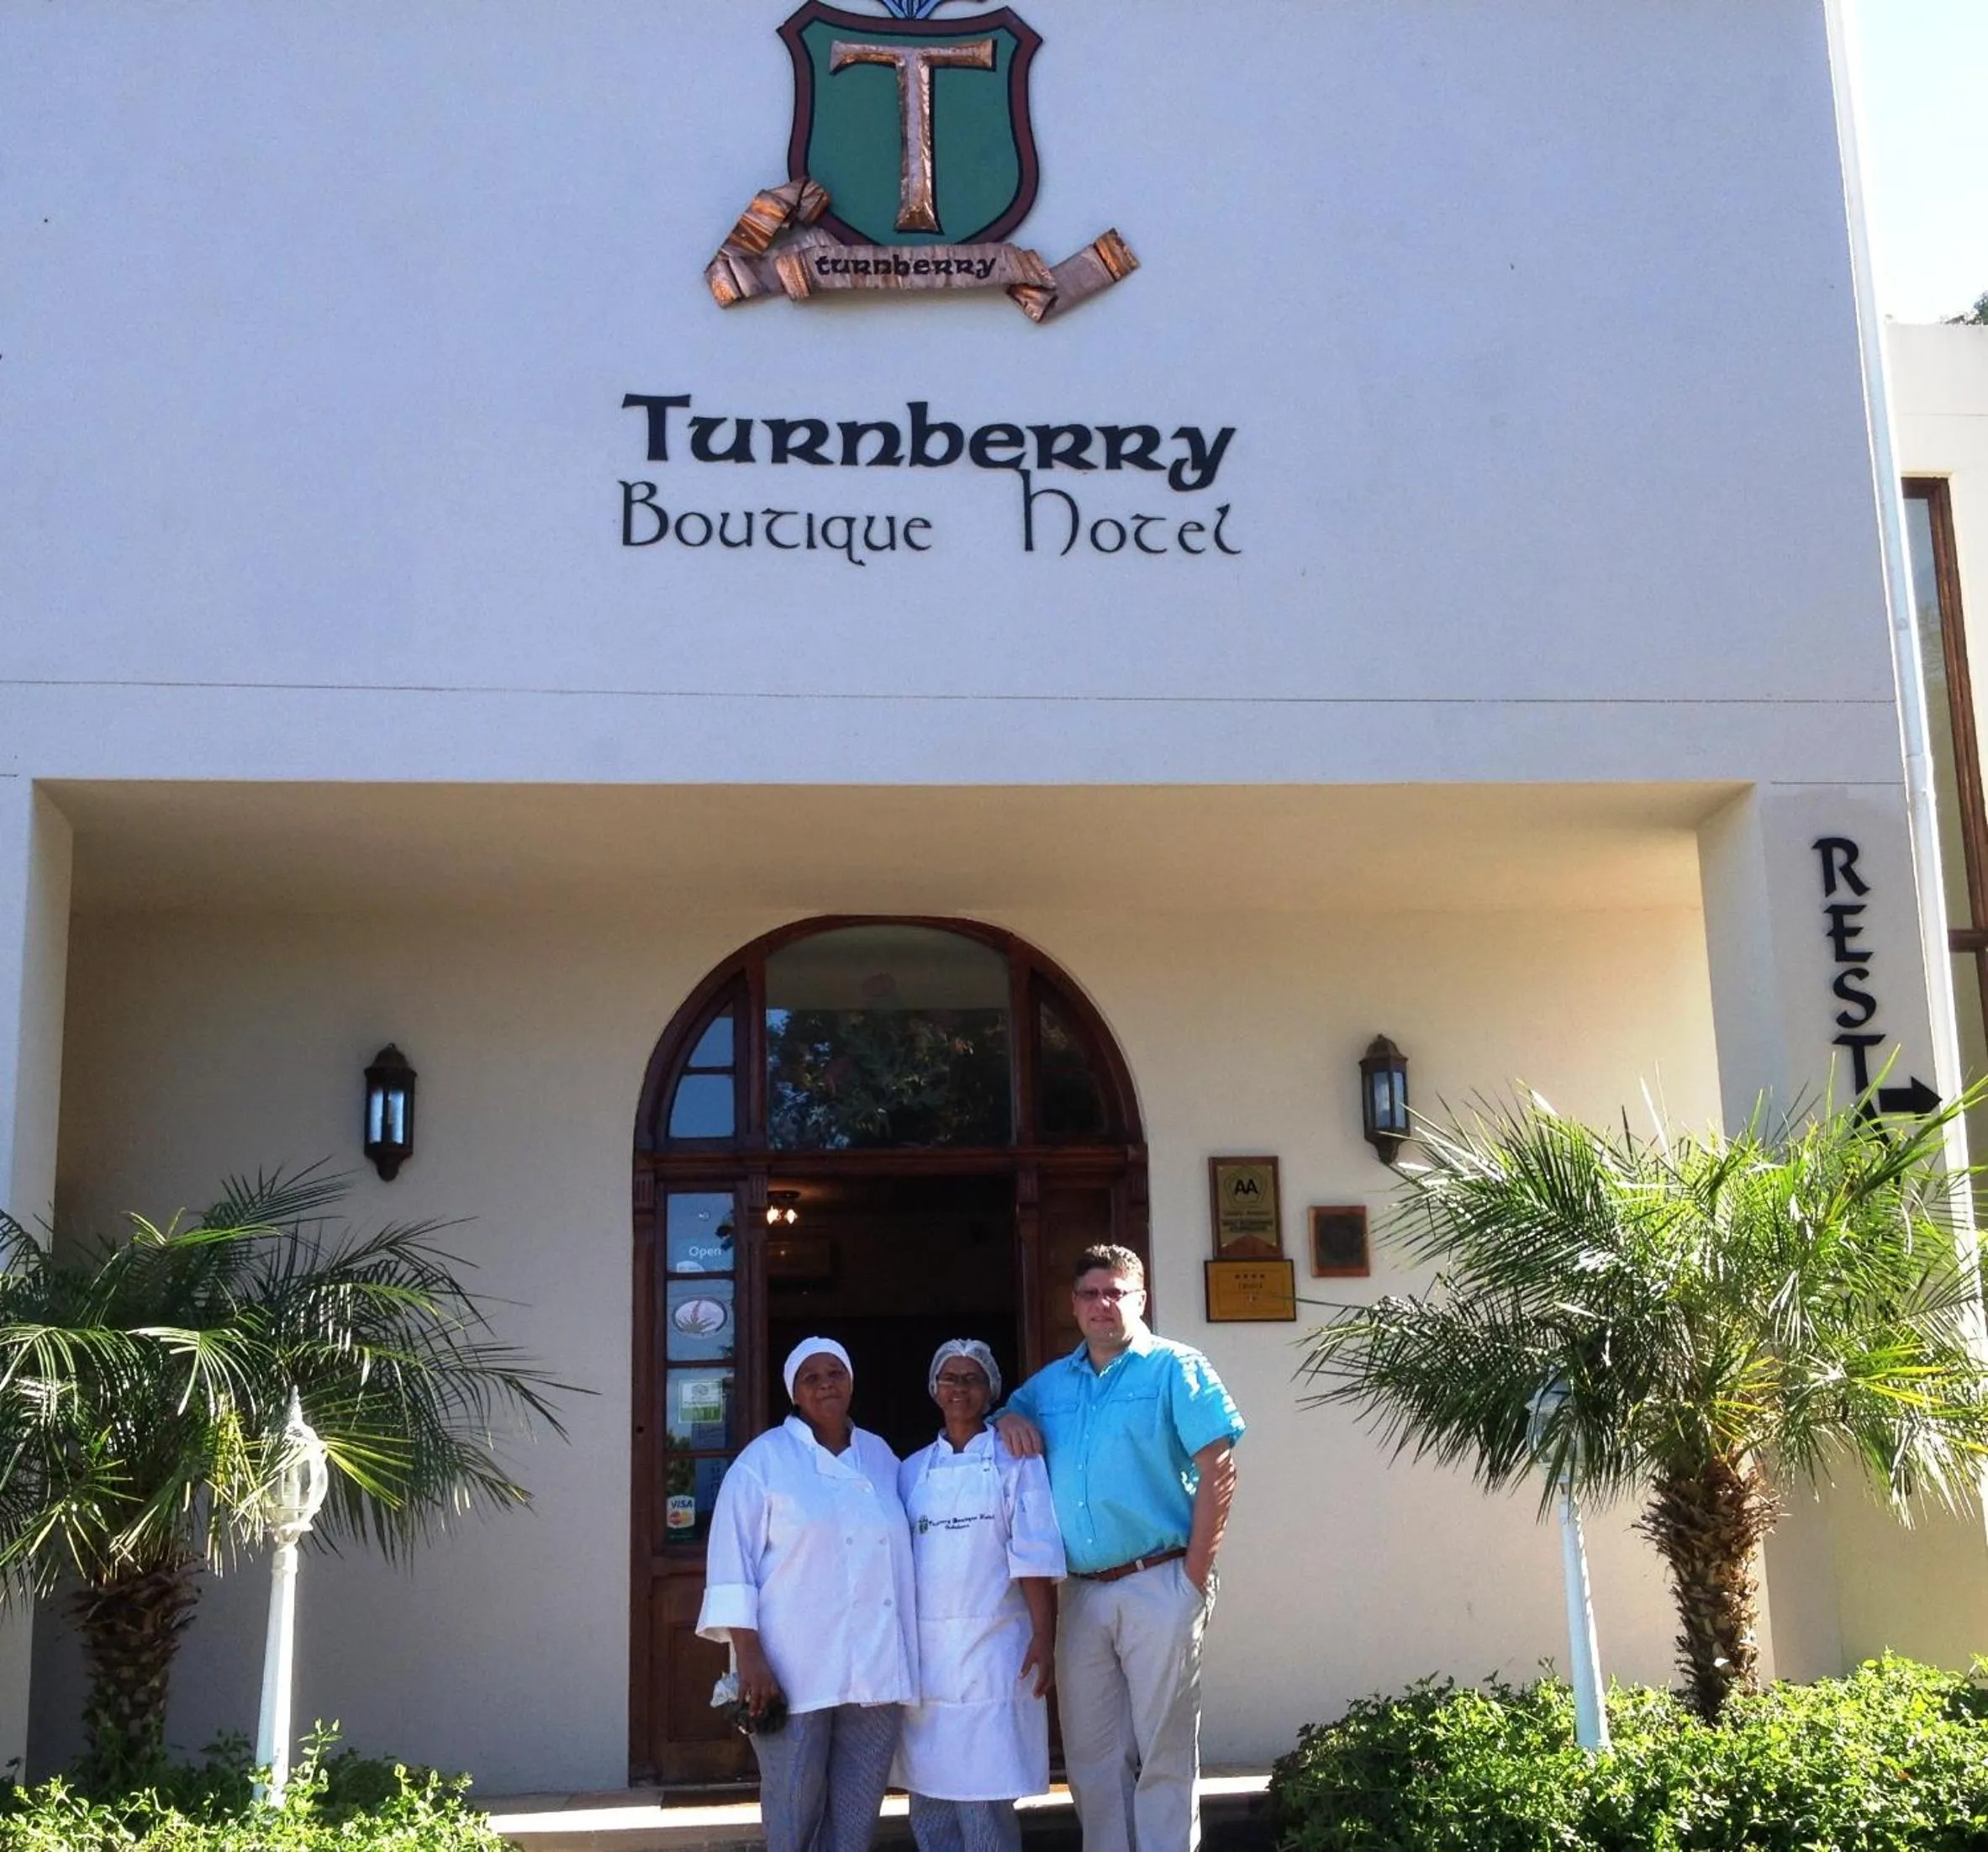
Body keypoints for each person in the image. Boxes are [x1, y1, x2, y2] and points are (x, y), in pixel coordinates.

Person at [995, 1246, 1243, 1852]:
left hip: (1159, 1580)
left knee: (1163, 1749)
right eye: (1090, 1293)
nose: (1102, 1304)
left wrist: (1192, 1577)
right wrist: (1006, 1418)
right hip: (1082, 1593)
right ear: (1073, 1304)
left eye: (1116, 1292)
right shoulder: (1050, 1385)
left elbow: (1219, 1469)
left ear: (1141, 1299)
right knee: (1091, 1754)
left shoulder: (1175, 1368)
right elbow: (1002, 1413)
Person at [699, 1338, 918, 1852]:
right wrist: (750, 1659)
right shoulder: (763, 1462)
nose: (825, 1385)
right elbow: (732, 1564)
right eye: (811, 1378)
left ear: (851, 1382)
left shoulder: (881, 1456)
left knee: (857, 1811)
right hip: (791, 1670)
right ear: (793, 1393)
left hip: (875, 1667)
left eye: (835, 1373)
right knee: (793, 1808)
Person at [896, 1339, 1066, 1852]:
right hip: (928, 1657)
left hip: (997, 1648)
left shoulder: (1016, 1460)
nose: (960, 1388)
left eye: (972, 1379)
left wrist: (1044, 1636)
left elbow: (1034, 1555)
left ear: (990, 1389)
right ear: (934, 1388)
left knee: (985, 1795)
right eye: (950, 1378)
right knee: (930, 1794)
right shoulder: (911, 1470)